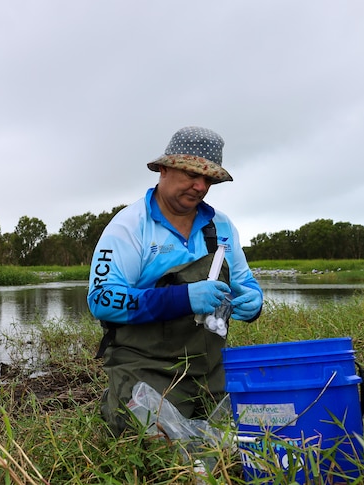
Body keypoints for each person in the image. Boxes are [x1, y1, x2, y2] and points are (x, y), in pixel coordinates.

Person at [87, 126, 263, 436]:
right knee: (152, 440)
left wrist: (254, 300)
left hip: (210, 367)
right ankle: (118, 396)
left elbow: (245, 283)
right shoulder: (129, 226)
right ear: (164, 169)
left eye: (208, 179)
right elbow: (101, 299)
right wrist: (183, 298)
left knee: (255, 429)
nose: (200, 186)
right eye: (191, 174)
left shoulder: (221, 226)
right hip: (145, 364)